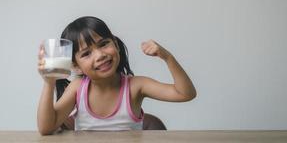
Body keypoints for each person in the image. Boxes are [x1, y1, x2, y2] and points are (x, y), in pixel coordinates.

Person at [37, 16, 196, 135]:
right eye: (86, 54)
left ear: (115, 44)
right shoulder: (77, 88)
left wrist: (167, 57)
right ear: (76, 67)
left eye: (104, 44)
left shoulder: (136, 86)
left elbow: (185, 94)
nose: (99, 55)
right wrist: (48, 83)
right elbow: (46, 128)